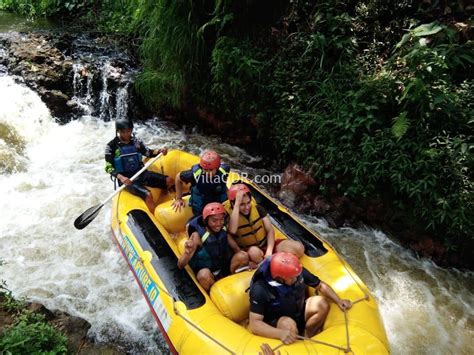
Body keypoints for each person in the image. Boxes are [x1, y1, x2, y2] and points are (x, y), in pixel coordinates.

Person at [248, 252, 352, 344]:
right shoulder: (261, 288)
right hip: (278, 322)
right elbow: (254, 324)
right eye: (292, 277)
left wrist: (338, 300)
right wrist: (280, 333)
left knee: (322, 303)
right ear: (280, 279)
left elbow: (320, 285)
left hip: (298, 311)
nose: (297, 278)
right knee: (287, 323)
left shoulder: (296, 272)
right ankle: (298, 348)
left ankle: (308, 336)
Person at [223, 184, 304, 266]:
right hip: (250, 252)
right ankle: (271, 264)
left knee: (299, 248)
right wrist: (237, 204)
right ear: (233, 204)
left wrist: (269, 251)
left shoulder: (258, 208)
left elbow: (270, 230)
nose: (247, 207)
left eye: (248, 203)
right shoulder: (228, 215)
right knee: (254, 252)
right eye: (242, 204)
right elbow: (232, 230)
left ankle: (272, 260)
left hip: (266, 245)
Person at [105, 118, 174, 213]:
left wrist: (159, 151)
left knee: (169, 180)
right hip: (127, 180)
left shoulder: (136, 142)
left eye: (128, 131)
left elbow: (148, 153)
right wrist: (121, 177)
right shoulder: (111, 146)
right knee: (148, 194)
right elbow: (108, 167)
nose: (126, 134)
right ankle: (155, 217)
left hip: (141, 173)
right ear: (118, 131)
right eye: (123, 132)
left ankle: (170, 199)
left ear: (131, 130)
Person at [177, 202, 249, 291]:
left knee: (243, 256)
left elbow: (236, 249)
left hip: (224, 268)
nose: (219, 224)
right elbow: (180, 265)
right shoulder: (196, 236)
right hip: (208, 272)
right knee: (203, 275)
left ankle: (233, 283)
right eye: (214, 220)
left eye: (221, 219)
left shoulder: (223, 230)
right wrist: (187, 252)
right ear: (206, 221)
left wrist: (248, 264)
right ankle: (212, 293)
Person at [172, 150, 230, 216]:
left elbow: (223, 182)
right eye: (205, 169)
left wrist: (227, 191)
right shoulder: (194, 174)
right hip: (201, 207)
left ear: (217, 168)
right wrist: (178, 198)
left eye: (211, 170)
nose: (207, 172)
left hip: (220, 203)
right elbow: (178, 178)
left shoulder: (223, 170)